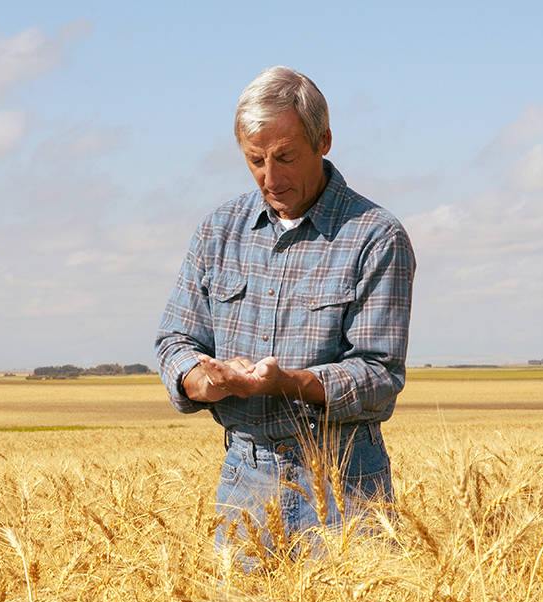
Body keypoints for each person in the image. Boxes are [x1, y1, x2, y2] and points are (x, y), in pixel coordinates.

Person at [155, 66, 415, 557]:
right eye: (255, 160)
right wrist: (201, 379)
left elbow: (380, 376)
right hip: (244, 478)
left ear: (324, 140)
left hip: (347, 479)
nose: (270, 178)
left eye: (286, 157)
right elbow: (175, 340)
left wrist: (287, 382)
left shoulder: (376, 236)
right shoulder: (219, 230)